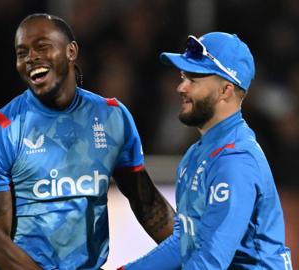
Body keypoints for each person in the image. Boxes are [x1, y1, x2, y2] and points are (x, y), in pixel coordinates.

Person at [0, 13, 175, 269]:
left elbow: (148, 206)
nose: (31, 58)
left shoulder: (111, 117)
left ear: (71, 51)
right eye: (22, 53)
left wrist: (192, 251)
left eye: (42, 46)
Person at [120, 32, 293, 269]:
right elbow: (184, 243)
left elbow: (209, 261)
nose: (181, 87)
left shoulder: (235, 161)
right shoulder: (197, 154)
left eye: (194, 79)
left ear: (226, 91)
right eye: (183, 76)